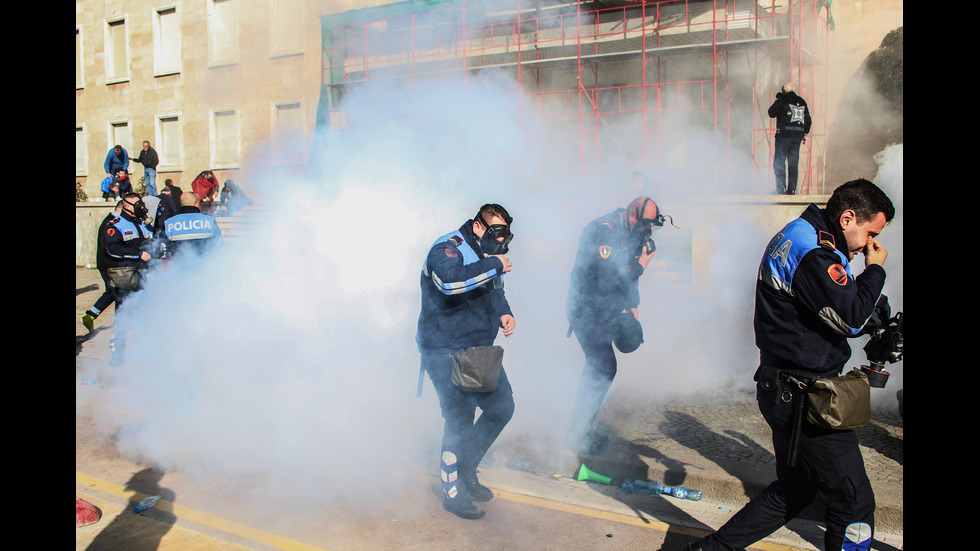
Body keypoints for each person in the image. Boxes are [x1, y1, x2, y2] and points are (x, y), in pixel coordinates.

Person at [684, 179, 895, 551]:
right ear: (848, 218)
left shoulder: (803, 233)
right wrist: (875, 271)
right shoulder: (815, 250)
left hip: (787, 387)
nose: (869, 246)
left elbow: (821, 310)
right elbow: (849, 318)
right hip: (805, 396)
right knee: (853, 502)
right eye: (870, 233)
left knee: (796, 489)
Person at [416, 203, 517, 520]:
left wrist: (504, 311)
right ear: (478, 226)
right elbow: (448, 282)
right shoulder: (448, 248)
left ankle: (467, 468)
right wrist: (495, 266)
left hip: (477, 349)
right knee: (459, 419)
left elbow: (493, 288)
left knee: (502, 407)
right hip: (443, 350)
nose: (501, 240)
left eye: (505, 233)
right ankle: (452, 489)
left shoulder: (485, 254)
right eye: (496, 232)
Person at [565, 196, 660, 455]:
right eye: (645, 225)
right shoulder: (600, 230)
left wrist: (633, 306)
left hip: (608, 309)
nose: (647, 231)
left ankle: (581, 429)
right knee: (603, 366)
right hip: (586, 307)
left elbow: (628, 282)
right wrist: (641, 264)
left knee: (608, 363)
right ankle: (577, 434)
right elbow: (612, 277)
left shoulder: (634, 231)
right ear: (632, 215)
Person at [103, 192, 157, 366]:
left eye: (141, 203)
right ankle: (118, 353)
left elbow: (154, 243)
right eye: (136, 204)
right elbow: (112, 249)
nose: (141, 206)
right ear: (126, 205)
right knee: (123, 316)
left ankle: (148, 352)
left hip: (145, 276)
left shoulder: (144, 224)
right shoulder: (115, 225)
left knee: (147, 314)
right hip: (126, 277)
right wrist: (139, 254)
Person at [82, 201, 124, 332]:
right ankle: (120, 324)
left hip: (107, 265)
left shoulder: (111, 221)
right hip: (108, 265)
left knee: (112, 292)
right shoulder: (111, 223)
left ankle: (90, 316)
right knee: (116, 293)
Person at [768, 82, 812, 194]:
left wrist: (779, 100)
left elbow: (771, 112)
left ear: (784, 90)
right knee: (793, 163)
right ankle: (792, 190)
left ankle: (781, 188)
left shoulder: (783, 100)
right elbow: (808, 120)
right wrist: (805, 133)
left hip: (784, 135)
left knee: (779, 161)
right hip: (797, 136)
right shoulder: (802, 101)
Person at [164, 191, 223, 258]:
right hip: (204, 264)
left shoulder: (169, 222)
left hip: (178, 264)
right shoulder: (209, 220)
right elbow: (219, 242)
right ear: (195, 203)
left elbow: (164, 246)